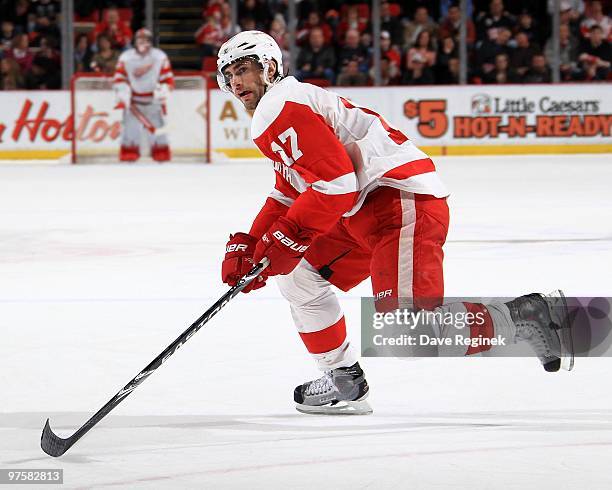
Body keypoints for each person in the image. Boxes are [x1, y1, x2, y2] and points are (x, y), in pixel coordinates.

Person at [216, 31, 574, 415]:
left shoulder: (280, 105)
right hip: (364, 211)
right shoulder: (286, 103)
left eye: (243, 69)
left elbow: (337, 184)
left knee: (408, 334)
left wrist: (288, 238)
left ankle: (526, 316)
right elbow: (288, 191)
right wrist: (255, 244)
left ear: (269, 68)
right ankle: (341, 377)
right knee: (299, 274)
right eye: (229, 75)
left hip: (398, 203)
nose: (236, 83)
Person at [112, 28, 175, 162]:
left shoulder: (159, 56)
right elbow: (119, 78)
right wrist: (123, 92)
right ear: (135, 42)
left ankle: (161, 151)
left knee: (158, 128)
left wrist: (163, 90)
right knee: (130, 129)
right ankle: (129, 151)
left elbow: (167, 78)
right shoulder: (126, 57)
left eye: (146, 40)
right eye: (140, 40)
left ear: (151, 42)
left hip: (153, 101)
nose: (142, 43)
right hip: (133, 101)